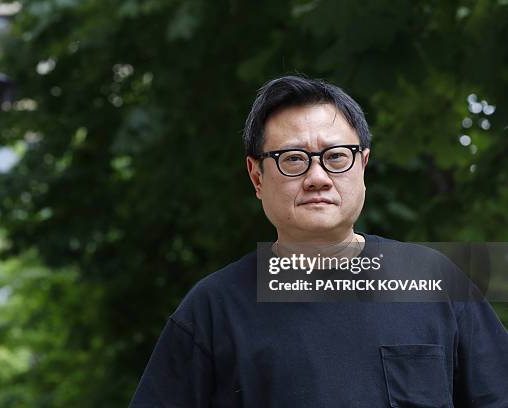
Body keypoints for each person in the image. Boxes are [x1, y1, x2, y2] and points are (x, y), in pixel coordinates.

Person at [129, 75, 508, 407]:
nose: (318, 177)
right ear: (257, 176)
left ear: (362, 165)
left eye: (336, 157)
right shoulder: (213, 309)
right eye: (293, 159)